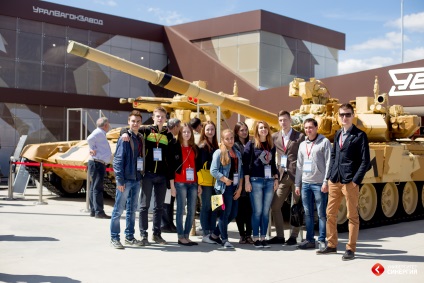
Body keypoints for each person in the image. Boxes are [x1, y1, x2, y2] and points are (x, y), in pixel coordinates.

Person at [317, 103, 370, 261]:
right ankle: (332, 244)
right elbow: (333, 157)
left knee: (352, 215)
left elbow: (365, 161)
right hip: (335, 179)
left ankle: (350, 248)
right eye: (341, 115)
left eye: (347, 114)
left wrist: (356, 180)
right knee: (330, 213)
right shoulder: (338, 133)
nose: (344, 117)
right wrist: (328, 178)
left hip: (349, 181)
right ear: (338, 117)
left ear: (353, 116)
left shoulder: (360, 135)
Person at [121, 106, 173, 245]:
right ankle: (144, 236)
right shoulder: (146, 130)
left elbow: (171, 157)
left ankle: (157, 234)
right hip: (148, 174)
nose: (160, 119)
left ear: (165, 118)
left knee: (159, 207)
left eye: (162, 116)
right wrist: (124, 132)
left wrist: (169, 178)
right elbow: (130, 130)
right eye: (157, 116)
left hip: (162, 176)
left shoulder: (168, 134)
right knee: (144, 206)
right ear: (153, 117)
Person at [294, 118, 331, 251]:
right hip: (305, 183)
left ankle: (321, 239)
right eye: (306, 128)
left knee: (321, 213)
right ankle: (310, 239)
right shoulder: (303, 144)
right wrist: (297, 184)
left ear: (316, 128)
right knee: (308, 213)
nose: (308, 130)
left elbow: (328, 163)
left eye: (311, 127)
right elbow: (299, 165)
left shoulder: (324, 142)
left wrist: (326, 181)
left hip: (319, 183)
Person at [110, 110, 145, 249]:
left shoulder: (140, 137)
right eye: (133, 121)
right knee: (118, 210)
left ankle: (129, 237)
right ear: (128, 122)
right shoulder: (124, 138)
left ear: (141, 123)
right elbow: (117, 160)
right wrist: (119, 180)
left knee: (132, 210)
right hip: (125, 180)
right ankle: (114, 237)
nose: (135, 123)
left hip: (136, 179)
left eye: (137, 121)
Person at [270, 110, 305, 245]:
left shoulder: (299, 136)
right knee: (275, 205)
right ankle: (280, 236)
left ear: (290, 120)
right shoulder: (275, 137)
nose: (283, 122)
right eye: (280, 120)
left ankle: (294, 236)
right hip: (282, 176)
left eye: (285, 120)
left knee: (296, 207)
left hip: (296, 176)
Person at [243, 121, 279, 248]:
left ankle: (263, 237)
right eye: (261, 128)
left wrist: (276, 179)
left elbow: (273, 165)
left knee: (265, 211)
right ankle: (256, 238)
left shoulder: (271, 145)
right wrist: (247, 182)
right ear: (257, 130)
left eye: (265, 127)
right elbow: (246, 165)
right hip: (256, 181)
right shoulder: (251, 144)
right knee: (257, 211)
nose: (263, 130)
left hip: (269, 181)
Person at [209, 129, 243, 249]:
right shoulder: (219, 153)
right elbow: (213, 170)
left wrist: (240, 188)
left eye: (231, 138)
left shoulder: (237, 152)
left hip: (235, 187)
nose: (230, 140)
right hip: (224, 188)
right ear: (223, 140)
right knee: (225, 213)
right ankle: (224, 239)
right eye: (227, 139)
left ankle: (214, 234)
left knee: (233, 213)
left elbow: (241, 172)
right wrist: (224, 179)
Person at [168, 123, 199, 246]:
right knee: (180, 210)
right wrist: (172, 185)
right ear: (180, 133)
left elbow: (197, 167)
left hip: (193, 183)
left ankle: (186, 235)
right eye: (184, 132)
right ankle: (180, 236)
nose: (186, 134)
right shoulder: (175, 146)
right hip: (180, 182)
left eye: (189, 132)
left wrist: (199, 184)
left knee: (191, 210)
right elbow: (170, 166)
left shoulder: (194, 147)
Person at [196, 121, 219, 244]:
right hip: (205, 182)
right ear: (203, 131)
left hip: (216, 183)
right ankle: (205, 233)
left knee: (215, 207)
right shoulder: (202, 146)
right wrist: (198, 184)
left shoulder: (216, 146)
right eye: (208, 129)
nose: (210, 132)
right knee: (206, 207)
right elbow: (198, 166)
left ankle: (212, 232)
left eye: (212, 129)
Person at [87, 117, 112, 219]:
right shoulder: (98, 132)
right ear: (105, 125)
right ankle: (99, 212)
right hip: (97, 163)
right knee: (97, 188)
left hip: (97, 162)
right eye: (108, 124)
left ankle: (94, 210)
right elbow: (89, 139)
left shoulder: (100, 132)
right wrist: (92, 148)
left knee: (94, 187)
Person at [233, 121, 253, 245]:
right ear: (237, 132)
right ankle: (242, 235)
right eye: (241, 130)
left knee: (249, 210)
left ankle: (249, 235)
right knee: (239, 210)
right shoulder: (235, 145)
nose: (244, 132)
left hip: (251, 180)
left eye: (246, 130)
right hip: (238, 180)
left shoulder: (251, 144)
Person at [161, 118, 181, 233]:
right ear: (174, 127)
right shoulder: (167, 138)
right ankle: (165, 223)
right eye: (179, 127)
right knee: (167, 200)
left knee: (170, 200)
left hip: (170, 174)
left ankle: (169, 222)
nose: (179, 129)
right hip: (166, 174)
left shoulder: (172, 138)